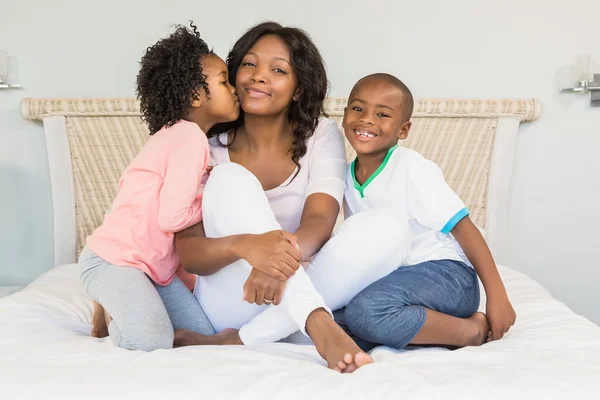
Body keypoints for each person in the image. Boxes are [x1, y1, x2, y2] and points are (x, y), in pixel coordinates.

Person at [170, 22, 412, 373]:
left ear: (299, 89)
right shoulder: (203, 148)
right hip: (233, 299)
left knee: (392, 226)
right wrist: (248, 248)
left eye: (278, 70)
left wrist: (275, 260)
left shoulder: (321, 134)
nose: (259, 77)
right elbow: (190, 254)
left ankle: (244, 339)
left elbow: (320, 222)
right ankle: (318, 323)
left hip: (288, 299)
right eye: (249, 64)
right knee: (228, 179)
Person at [78, 22, 239, 351]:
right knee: (151, 339)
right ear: (196, 95)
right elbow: (172, 217)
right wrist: (213, 199)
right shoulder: (189, 139)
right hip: (114, 259)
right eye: (224, 82)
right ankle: (110, 309)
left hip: (152, 269)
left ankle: (120, 302)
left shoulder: (181, 136)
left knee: (200, 336)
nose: (234, 88)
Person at [335, 73, 517, 351]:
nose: (367, 119)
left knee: (367, 311)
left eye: (382, 114)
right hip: (397, 280)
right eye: (358, 109)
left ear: (403, 130)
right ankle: (407, 326)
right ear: (345, 114)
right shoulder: (345, 177)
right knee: (331, 318)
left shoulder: (412, 168)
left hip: (446, 276)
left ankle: (471, 330)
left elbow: (464, 229)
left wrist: (497, 296)